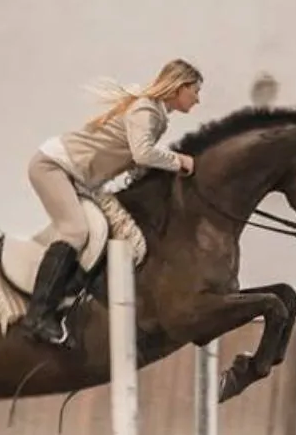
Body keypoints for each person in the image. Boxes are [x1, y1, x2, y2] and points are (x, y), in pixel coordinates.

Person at [20, 57, 203, 345]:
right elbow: (143, 154)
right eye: (195, 90)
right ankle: (38, 315)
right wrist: (179, 161)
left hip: (76, 177)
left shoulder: (154, 114)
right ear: (179, 88)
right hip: (54, 167)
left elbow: (136, 160)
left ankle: (64, 307)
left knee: (98, 234)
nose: (197, 99)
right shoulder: (147, 111)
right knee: (77, 231)